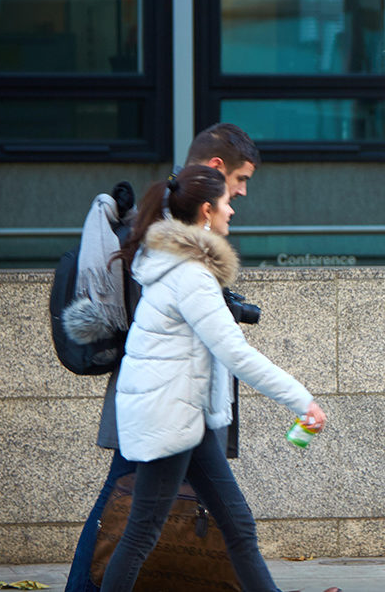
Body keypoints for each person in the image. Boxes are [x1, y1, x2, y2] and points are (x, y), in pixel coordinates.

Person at [100, 165, 326, 591]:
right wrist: (302, 400)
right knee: (142, 533)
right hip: (170, 417)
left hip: (188, 417)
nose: (231, 212)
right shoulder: (190, 276)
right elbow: (235, 352)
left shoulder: (175, 265)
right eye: (227, 203)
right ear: (206, 211)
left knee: (238, 526)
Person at [64, 123, 262, 592]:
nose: (242, 193)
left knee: (206, 521)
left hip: (176, 401)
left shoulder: (172, 224)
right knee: (131, 516)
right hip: (164, 401)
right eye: (241, 180)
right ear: (216, 170)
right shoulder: (165, 228)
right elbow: (154, 317)